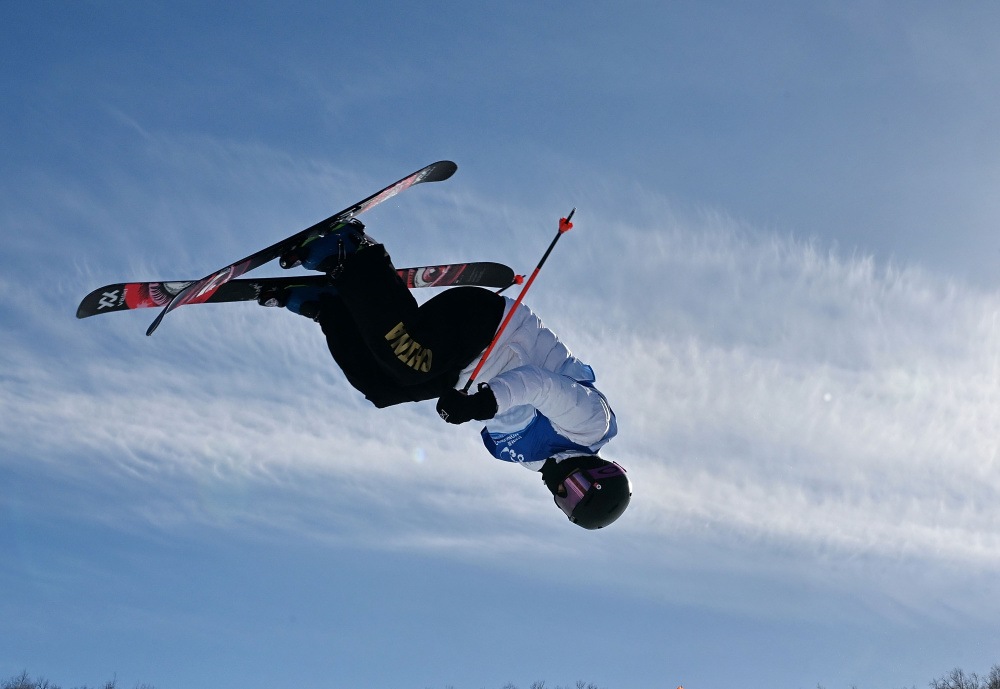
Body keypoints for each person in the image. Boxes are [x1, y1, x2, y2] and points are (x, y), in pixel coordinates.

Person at [261, 220, 631, 529]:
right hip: (491, 327)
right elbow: (541, 386)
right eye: (580, 489)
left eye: (566, 504)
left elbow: (492, 421)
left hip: (464, 366)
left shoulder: (529, 459)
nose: (565, 492)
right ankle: (352, 251)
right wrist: (482, 404)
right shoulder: (591, 426)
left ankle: (331, 306)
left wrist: (462, 404)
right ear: (598, 472)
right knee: (410, 357)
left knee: (382, 388)